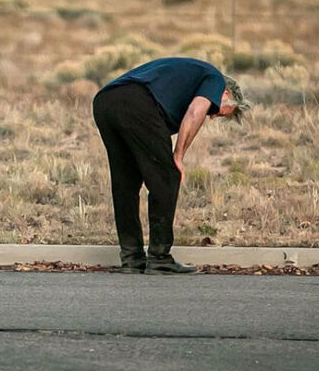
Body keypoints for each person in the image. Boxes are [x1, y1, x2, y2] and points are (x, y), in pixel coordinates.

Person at [92, 57, 250, 274]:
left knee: (126, 183)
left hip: (105, 102)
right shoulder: (215, 79)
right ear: (226, 94)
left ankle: (131, 259)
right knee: (168, 176)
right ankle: (159, 258)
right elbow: (195, 112)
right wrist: (178, 156)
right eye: (217, 111)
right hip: (135, 102)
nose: (212, 116)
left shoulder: (188, 79)